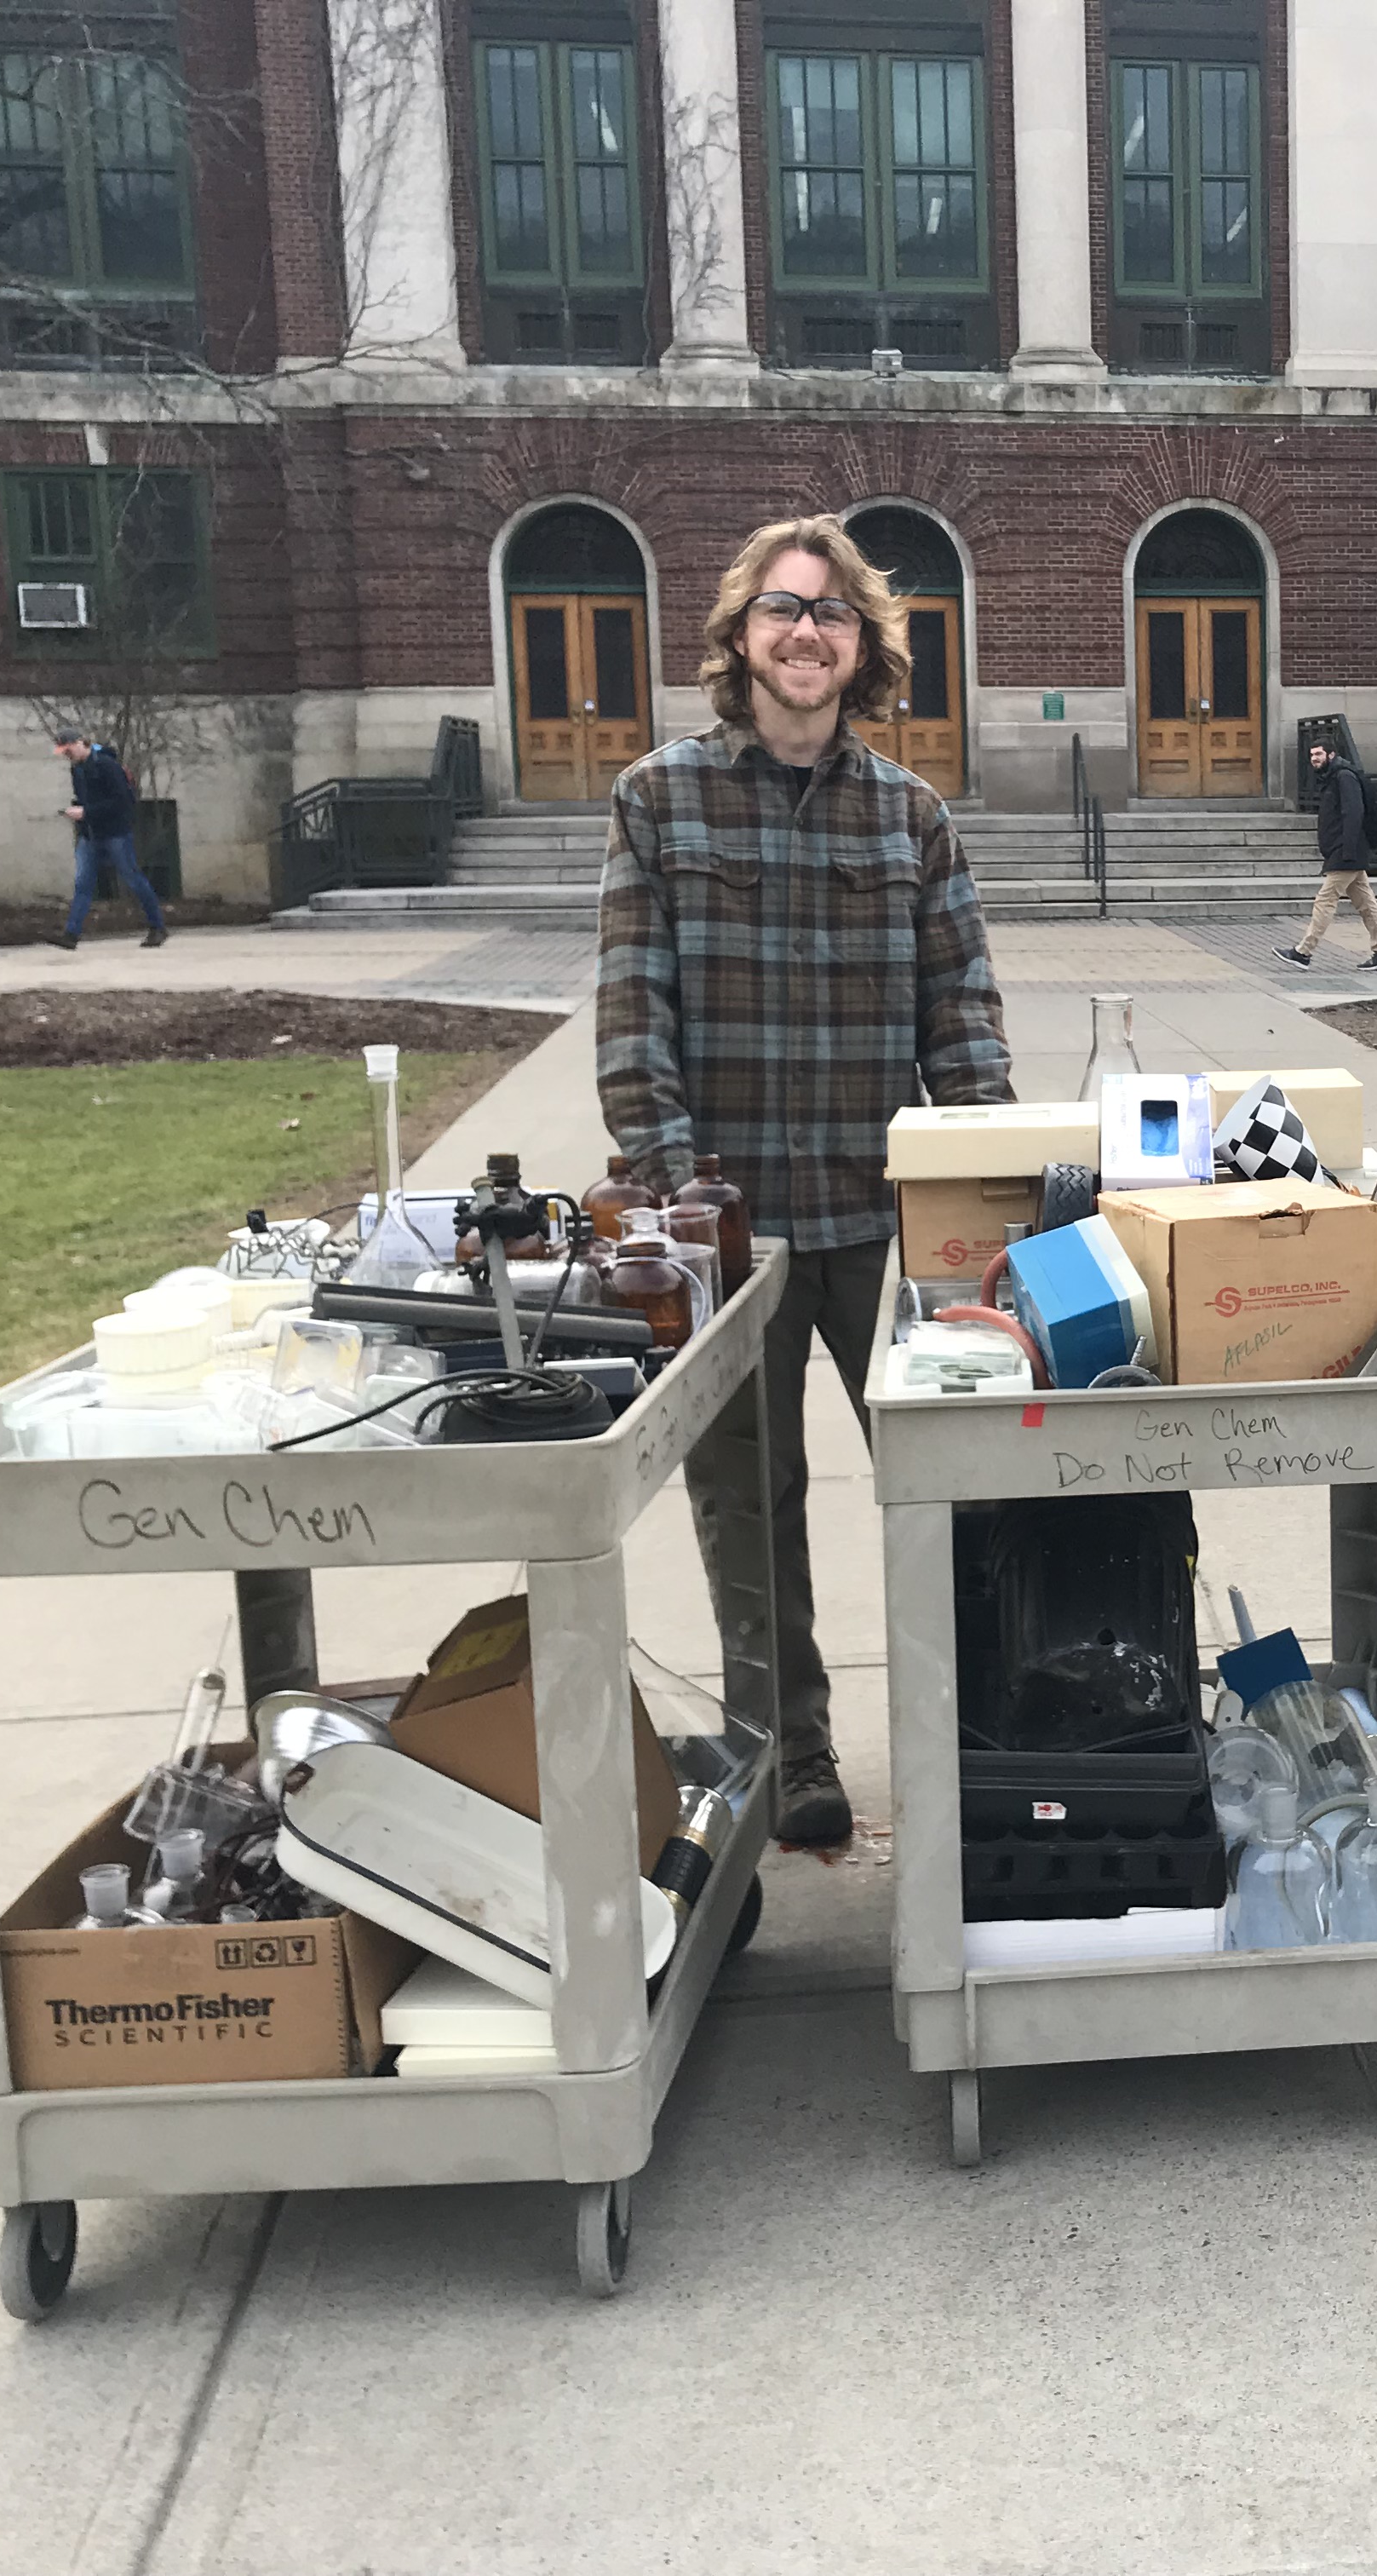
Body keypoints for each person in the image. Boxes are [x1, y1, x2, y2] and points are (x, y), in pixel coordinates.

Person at [596, 514, 1013, 1847]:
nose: (806, 634)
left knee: (958, 1485)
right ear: (738, 635)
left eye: (831, 616)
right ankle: (794, 1754)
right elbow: (631, 1022)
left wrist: (989, 1194)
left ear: (864, 649)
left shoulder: (911, 817)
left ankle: (986, 1733)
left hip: (884, 1227)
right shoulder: (658, 802)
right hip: (732, 1237)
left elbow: (964, 1022)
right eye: (782, 610)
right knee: (750, 1510)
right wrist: (679, 1200)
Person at [1278, 734, 1377, 972]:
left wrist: (1348, 850)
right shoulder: (1332, 778)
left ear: (1331, 755)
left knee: (1325, 900)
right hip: (1346, 851)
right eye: (1312, 755)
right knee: (1366, 904)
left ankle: (1303, 952)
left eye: (1319, 754)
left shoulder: (1344, 777)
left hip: (1346, 852)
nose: (1314, 759)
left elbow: (1353, 814)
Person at [43, 727, 166, 950]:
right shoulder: (77, 770)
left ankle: (157, 926)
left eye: (68, 749)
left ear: (80, 743)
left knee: (133, 879)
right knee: (83, 884)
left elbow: (122, 801)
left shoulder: (107, 766)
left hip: (115, 833)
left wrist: (86, 813)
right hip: (90, 834)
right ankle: (71, 935)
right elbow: (86, 799)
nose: (66, 755)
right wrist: (80, 813)